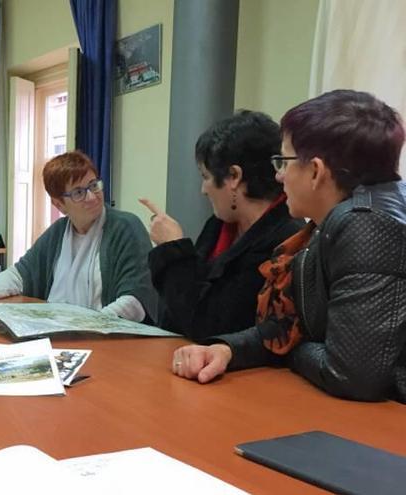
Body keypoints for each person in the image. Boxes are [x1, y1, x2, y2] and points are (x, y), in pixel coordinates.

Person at [172, 90, 406, 403]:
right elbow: (290, 325)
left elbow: (352, 376)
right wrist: (226, 349)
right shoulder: (338, 220)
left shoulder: (365, 224)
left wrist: (291, 348)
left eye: (284, 161)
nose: (279, 175)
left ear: (315, 171)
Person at [140, 111, 304, 340]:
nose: (203, 189)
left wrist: (172, 248)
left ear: (234, 176)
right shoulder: (219, 225)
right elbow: (177, 313)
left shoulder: (285, 239)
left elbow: (208, 326)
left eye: (206, 176)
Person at [0, 151, 156, 322]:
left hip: (106, 340)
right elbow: (21, 274)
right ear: (59, 205)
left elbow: (136, 299)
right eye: (79, 192)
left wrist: (96, 325)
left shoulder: (125, 227)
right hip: (61, 332)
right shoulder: (58, 232)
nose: (92, 196)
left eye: (94, 185)